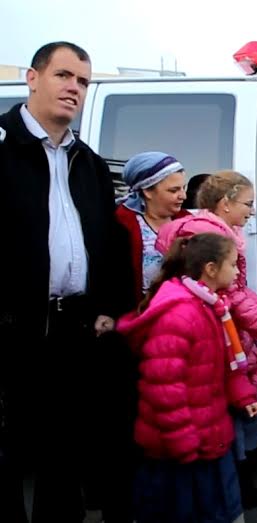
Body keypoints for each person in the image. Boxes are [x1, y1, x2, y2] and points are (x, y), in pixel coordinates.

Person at [0, 42, 133, 522]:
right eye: (63, 75)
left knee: (64, 450)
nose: (73, 88)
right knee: (8, 454)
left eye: (82, 81)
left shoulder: (89, 163)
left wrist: (108, 307)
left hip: (74, 327)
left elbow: (109, 244)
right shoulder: (3, 151)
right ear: (32, 79)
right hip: (13, 331)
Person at [157, 170, 257, 508]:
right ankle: (234, 494)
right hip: (222, 342)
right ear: (225, 203)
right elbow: (234, 297)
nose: (252, 212)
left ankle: (236, 490)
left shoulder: (215, 232)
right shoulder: (211, 238)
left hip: (227, 338)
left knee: (240, 414)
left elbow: (237, 291)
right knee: (234, 422)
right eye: (248, 204)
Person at [117, 233, 257, 523]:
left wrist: (243, 396)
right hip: (182, 447)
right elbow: (164, 390)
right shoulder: (180, 315)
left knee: (219, 507)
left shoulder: (212, 306)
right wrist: (183, 440)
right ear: (210, 268)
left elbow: (225, 363)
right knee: (185, 511)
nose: (236, 271)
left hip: (210, 434)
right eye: (232, 265)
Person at [116, 151, 189, 303]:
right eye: (174, 190)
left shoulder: (188, 222)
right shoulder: (121, 224)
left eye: (183, 188)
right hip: (138, 314)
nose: (183, 196)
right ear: (147, 191)